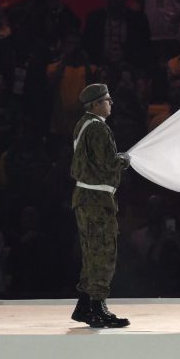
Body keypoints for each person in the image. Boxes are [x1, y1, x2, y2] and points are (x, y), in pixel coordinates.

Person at [70, 83, 131, 328]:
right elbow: (106, 163)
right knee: (103, 252)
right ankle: (98, 308)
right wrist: (124, 160)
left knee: (91, 253)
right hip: (96, 201)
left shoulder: (83, 125)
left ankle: (85, 306)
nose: (111, 103)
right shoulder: (97, 128)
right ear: (96, 104)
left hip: (87, 198)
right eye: (107, 100)